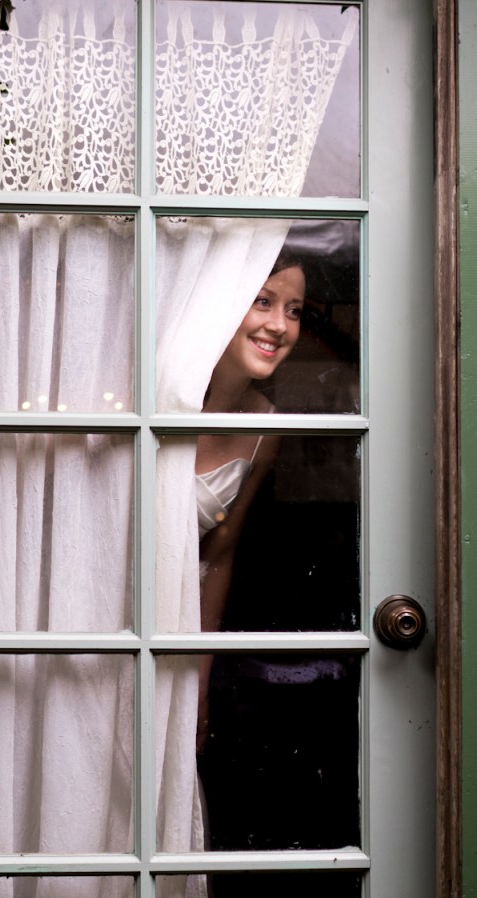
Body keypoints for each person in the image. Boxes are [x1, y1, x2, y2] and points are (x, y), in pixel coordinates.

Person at [195, 253, 306, 752]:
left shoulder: (265, 428)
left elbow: (217, 558)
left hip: (170, 634)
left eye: (294, 310)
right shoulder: (155, 391)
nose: (279, 325)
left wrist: (198, 682)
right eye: (263, 301)